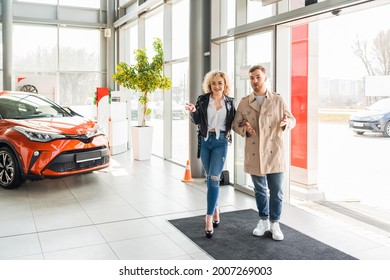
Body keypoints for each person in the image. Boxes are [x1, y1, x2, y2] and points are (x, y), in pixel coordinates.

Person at [232, 64, 295, 241]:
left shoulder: (277, 100)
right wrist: (244, 128)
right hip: (254, 152)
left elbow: (292, 119)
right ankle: (263, 220)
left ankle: (275, 222)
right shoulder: (244, 102)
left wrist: (285, 123)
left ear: (265, 78)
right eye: (252, 78)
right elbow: (235, 125)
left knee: (276, 191)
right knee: (260, 190)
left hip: (275, 151)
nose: (254, 81)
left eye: (258, 77)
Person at [185, 70, 236, 239]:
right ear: (210, 84)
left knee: (214, 178)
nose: (216, 86)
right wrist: (193, 111)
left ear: (225, 84)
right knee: (210, 178)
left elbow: (235, 122)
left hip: (221, 142)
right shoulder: (203, 99)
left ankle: (207, 219)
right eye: (213, 83)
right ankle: (215, 209)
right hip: (206, 143)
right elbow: (198, 120)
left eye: (220, 83)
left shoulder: (230, 102)